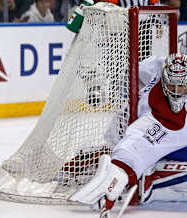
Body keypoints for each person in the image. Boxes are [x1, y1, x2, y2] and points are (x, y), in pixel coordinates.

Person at [70, 54, 187, 209]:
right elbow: (137, 145)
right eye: (172, 86)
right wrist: (119, 173)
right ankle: (152, 184)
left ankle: (99, 159)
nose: (176, 91)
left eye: (181, 86)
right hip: (130, 135)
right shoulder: (164, 113)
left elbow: (133, 75)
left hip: (127, 130)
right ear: (164, 82)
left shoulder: (156, 67)